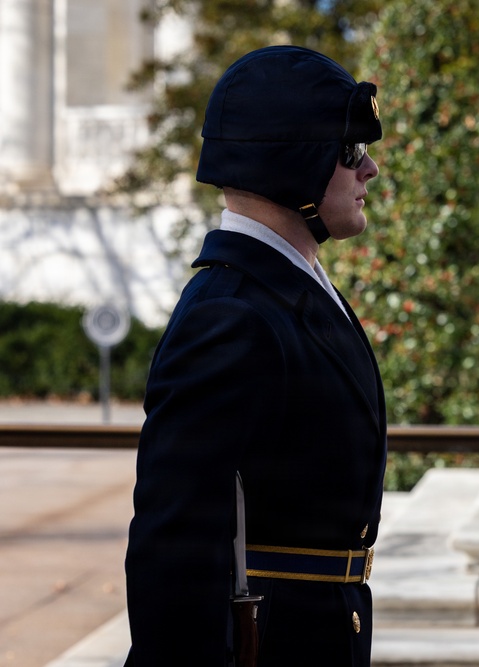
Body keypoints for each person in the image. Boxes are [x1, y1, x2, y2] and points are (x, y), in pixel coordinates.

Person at [124, 45, 387, 666]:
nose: (369, 168)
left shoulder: (285, 288)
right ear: (295, 160)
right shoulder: (232, 314)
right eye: (350, 151)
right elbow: (175, 549)